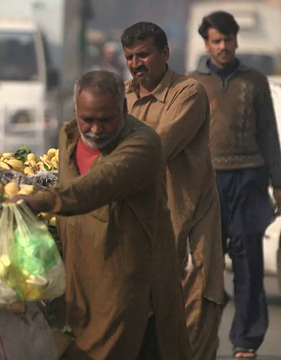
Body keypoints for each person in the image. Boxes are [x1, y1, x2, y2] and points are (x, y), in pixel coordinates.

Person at [10, 70, 190, 359]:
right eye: (88, 119)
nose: (95, 130)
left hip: (122, 284)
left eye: (106, 120)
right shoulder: (68, 136)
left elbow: (97, 185)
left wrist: (40, 201)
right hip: (74, 284)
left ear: (124, 109)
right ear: (75, 112)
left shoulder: (142, 145)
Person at [121, 21, 225, 359]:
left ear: (164, 53)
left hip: (191, 228)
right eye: (130, 57)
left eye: (144, 55)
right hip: (147, 234)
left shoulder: (187, 93)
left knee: (192, 332)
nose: (137, 63)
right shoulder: (120, 98)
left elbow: (155, 148)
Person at [189, 11, 281, 359]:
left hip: (248, 181)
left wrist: (278, 182)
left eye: (228, 40)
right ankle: (200, 339)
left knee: (249, 267)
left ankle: (246, 341)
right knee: (205, 268)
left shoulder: (254, 81)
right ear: (206, 43)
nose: (223, 46)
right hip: (207, 186)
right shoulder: (193, 83)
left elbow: (269, 135)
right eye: (216, 41)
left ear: (236, 40)